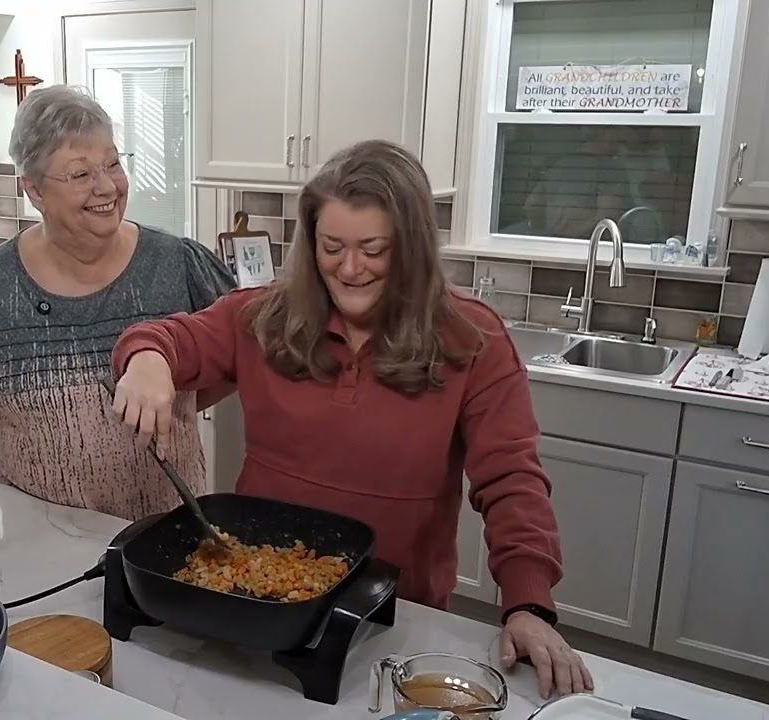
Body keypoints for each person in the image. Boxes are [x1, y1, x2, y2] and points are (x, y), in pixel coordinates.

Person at [108, 140, 593, 699]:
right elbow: (170, 338)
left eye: (373, 249)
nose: (350, 267)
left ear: (410, 248)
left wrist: (528, 604)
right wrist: (146, 360)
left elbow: (512, 481)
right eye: (331, 246)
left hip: (394, 622)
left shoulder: (472, 338)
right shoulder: (264, 314)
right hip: (253, 608)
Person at [0, 85, 236, 520]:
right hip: (35, 533)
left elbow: (238, 349)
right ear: (34, 191)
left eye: (112, 163)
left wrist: (173, 400)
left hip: (162, 531)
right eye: (80, 174)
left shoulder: (177, 263)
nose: (106, 186)